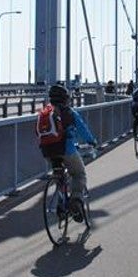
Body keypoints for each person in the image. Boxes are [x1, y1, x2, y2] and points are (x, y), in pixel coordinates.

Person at [37, 83, 97, 221]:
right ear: (65, 98)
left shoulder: (45, 113)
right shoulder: (69, 112)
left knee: (59, 175)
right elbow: (82, 129)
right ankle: (75, 200)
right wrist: (91, 141)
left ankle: (61, 205)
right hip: (67, 150)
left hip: (47, 151)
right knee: (78, 174)